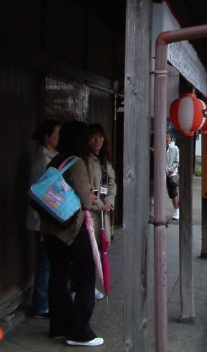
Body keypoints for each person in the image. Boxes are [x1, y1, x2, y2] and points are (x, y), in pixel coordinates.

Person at [41, 121, 103, 347]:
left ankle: (59, 327)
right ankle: (79, 332)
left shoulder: (55, 160)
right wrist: (95, 200)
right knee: (86, 277)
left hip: (50, 230)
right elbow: (86, 199)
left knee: (58, 277)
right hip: (72, 230)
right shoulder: (75, 162)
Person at [27, 120, 61, 318]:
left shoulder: (51, 157)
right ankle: (40, 304)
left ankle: (44, 301)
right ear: (47, 137)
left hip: (47, 218)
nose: (59, 138)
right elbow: (46, 195)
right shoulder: (43, 160)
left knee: (47, 262)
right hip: (43, 219)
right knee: (45, 263)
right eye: (56, 134)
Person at [86, 123, 117, 301]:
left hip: (105, 210)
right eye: (93, 137)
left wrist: (109, 201)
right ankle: (87, 286)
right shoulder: (85, 160)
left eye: (100, 137)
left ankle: (95, 284)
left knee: (101, 246)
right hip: (91, 212)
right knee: (91, 249)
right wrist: (98, 203)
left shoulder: (105, 159)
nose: (97, 141)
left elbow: (111, 183)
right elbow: (84, 188)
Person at [166, 132, 180, 220]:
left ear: (170, 138)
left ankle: (177, 210)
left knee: (173, 193)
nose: (166, 139)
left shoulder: (174, 148)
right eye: (165, 137)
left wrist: (170, 170)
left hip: (171, 173)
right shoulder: (159, 147)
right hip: (161, 172)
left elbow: (177, 161)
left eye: (168, 137)